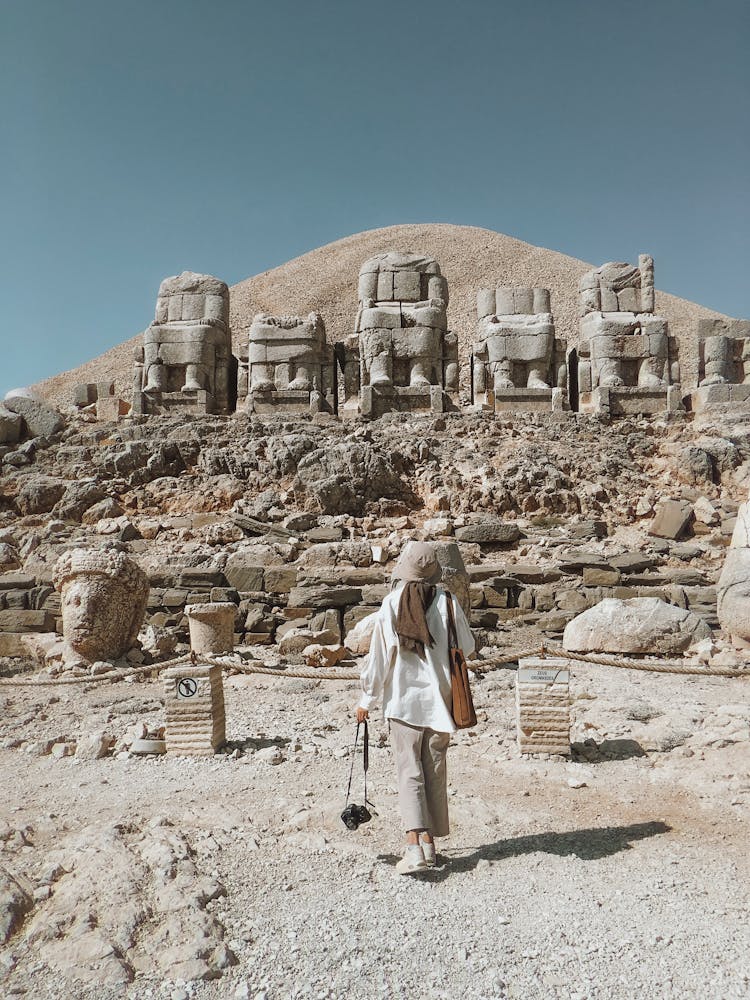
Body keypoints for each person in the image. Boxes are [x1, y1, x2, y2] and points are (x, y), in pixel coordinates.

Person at [356, 541, 475, 875]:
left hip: (403, 704)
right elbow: (468, 646)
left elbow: (379, 660)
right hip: (442, 704)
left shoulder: (392, 604)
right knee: (434, 774)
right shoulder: (449, 603)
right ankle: (431, 847)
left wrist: (366, 700)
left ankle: (414, 849)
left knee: (409, 774)